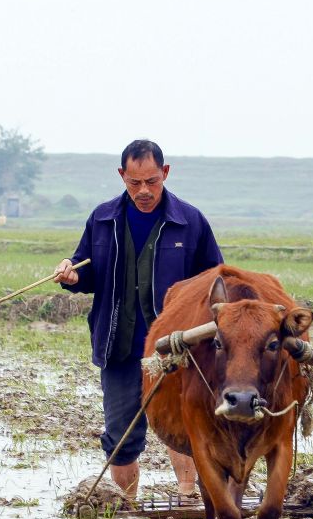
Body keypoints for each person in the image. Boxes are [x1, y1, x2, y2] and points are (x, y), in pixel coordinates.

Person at [54, 139, 223, 500]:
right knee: (120, 436)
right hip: (119, 345)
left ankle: (188, 495)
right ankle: (125, 503)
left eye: (151, 181)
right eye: (134, 183)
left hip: (177, 348)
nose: (143, 191)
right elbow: (85, 269)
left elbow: (215, 282)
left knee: (183, 425)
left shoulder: (190, 222)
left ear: (165, 173)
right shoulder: (102, 219)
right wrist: (71, 274)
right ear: (121, 176)